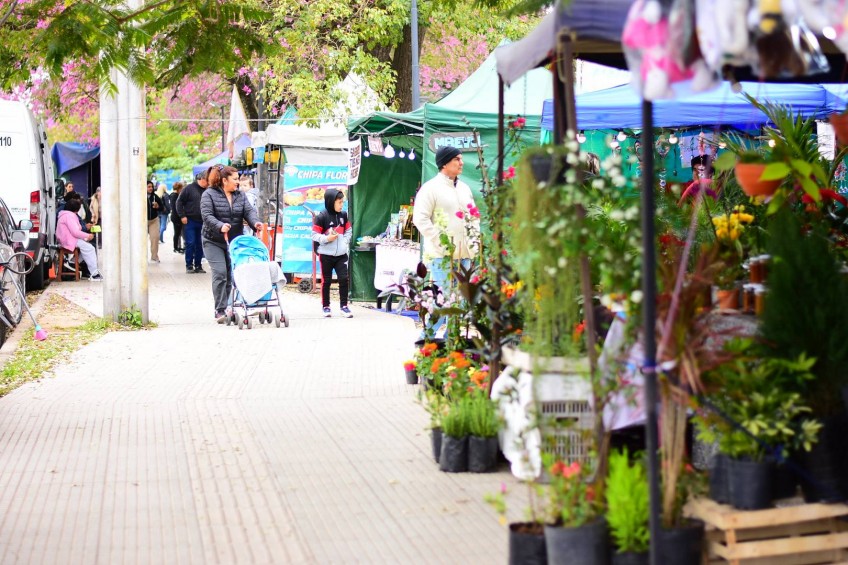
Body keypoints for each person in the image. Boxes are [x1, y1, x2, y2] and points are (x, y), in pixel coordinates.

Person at [412, 146, 479, 336]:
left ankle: (451, 344)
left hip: (465, 256)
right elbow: (420, 219)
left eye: (461, 159)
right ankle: (426, 341)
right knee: (444, 301)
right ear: (444, 164)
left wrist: (474, 243)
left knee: (460, 303)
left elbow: (474, 216)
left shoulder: (464, 188)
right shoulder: (430, 188)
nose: (461, 163)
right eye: (457, 159)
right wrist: (441, 242)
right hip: (441, 256)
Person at [200, 165, 263, 323]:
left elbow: (249, 212)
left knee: (232, 274)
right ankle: (220, 309)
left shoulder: (240, 195)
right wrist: (220, 225)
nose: (238, 182)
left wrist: (255, 223)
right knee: (220, 273)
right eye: (235, 179)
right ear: (224, 180)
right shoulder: (209, 194)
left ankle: (230, 306)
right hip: (213, 241)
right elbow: (207, 215)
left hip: (234, 241)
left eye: (238, 179)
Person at [311, 188, 353, 318]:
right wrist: (327, 239)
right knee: (327, 281)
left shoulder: (343, 215)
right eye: (339, 202)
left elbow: (348, 230)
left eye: (342, 202)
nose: (342, 205)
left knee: (343, 279)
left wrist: (344, 242)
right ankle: (326, 306)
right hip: (326, 256)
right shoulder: (321, 217)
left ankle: (344, 306)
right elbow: (314, 235)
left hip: (341, 255)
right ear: (331, 202)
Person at [56, 198, 102, 281]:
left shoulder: (64, 215)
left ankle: (71, 262)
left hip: (65, 239)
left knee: (86, 248)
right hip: (70, 240)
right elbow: (75, 232)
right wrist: (88, 235)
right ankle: (94, 274)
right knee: (90, 248)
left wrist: (85, 237)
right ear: (76, 209)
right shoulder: (69, 216)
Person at [176, 170, 208, 273]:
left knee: (200, 244)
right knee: (190, 243)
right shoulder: (188, 188)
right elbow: (179, 202)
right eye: (207, 180)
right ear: (201, 179)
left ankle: (198, 265)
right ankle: (189, 265)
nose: (208, 182)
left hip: (203, 221)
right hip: (190, 221)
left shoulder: (207, 190)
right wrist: (182, 216)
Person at [146, 180, 163, 263]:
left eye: (151, 187)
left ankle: (154, 256)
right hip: (142, 221)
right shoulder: (139, 197)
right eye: (148, 187)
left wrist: (158, 206)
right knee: (140, 240)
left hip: (153, 220)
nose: (151, 188)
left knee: (155, 238)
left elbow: (162, 208)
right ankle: (141, 257)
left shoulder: (155, 197)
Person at [169, 182, 184, 253]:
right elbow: (175, 208)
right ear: (178, 188)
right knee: (177, 233)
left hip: (176, 217)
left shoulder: (174, 195)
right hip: (176, 218)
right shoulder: (174, 196)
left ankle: (178, 247)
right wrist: (180, 216)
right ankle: (176, 247)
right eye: (181, 188)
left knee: (178, 233)